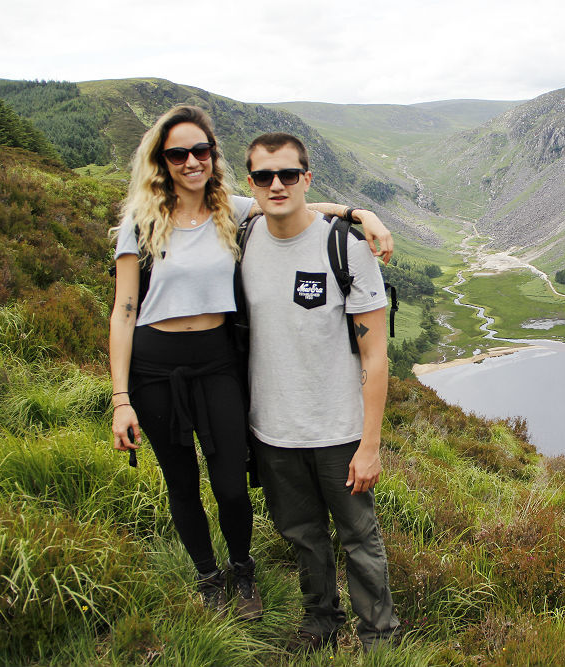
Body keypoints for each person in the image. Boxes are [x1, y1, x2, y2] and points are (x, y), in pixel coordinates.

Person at [108, 105, 392, 619]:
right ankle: (211, 579)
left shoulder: (231, 210)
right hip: (156, 366)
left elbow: (291, 202)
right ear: (162, 160)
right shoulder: (141, 220)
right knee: (182, 483)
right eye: (178, 153)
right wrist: (120, 397)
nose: (191, 161)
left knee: (231, 487)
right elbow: (125, 308)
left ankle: (245, 574)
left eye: (201, 151)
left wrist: (358, 214)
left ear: (213, 157)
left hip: (217, 362)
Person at [240, 132, 400, 652]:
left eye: (289, 174)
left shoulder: (346, 247)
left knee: (359, 539)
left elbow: (376, 357)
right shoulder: (241, 235)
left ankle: (378, 639)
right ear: (252, 184)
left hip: (338, 431)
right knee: (302, 535)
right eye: (264, 176)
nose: (277, 185)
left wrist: (370, 445)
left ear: (307, 178)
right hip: (273, 431)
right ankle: (321, 626)